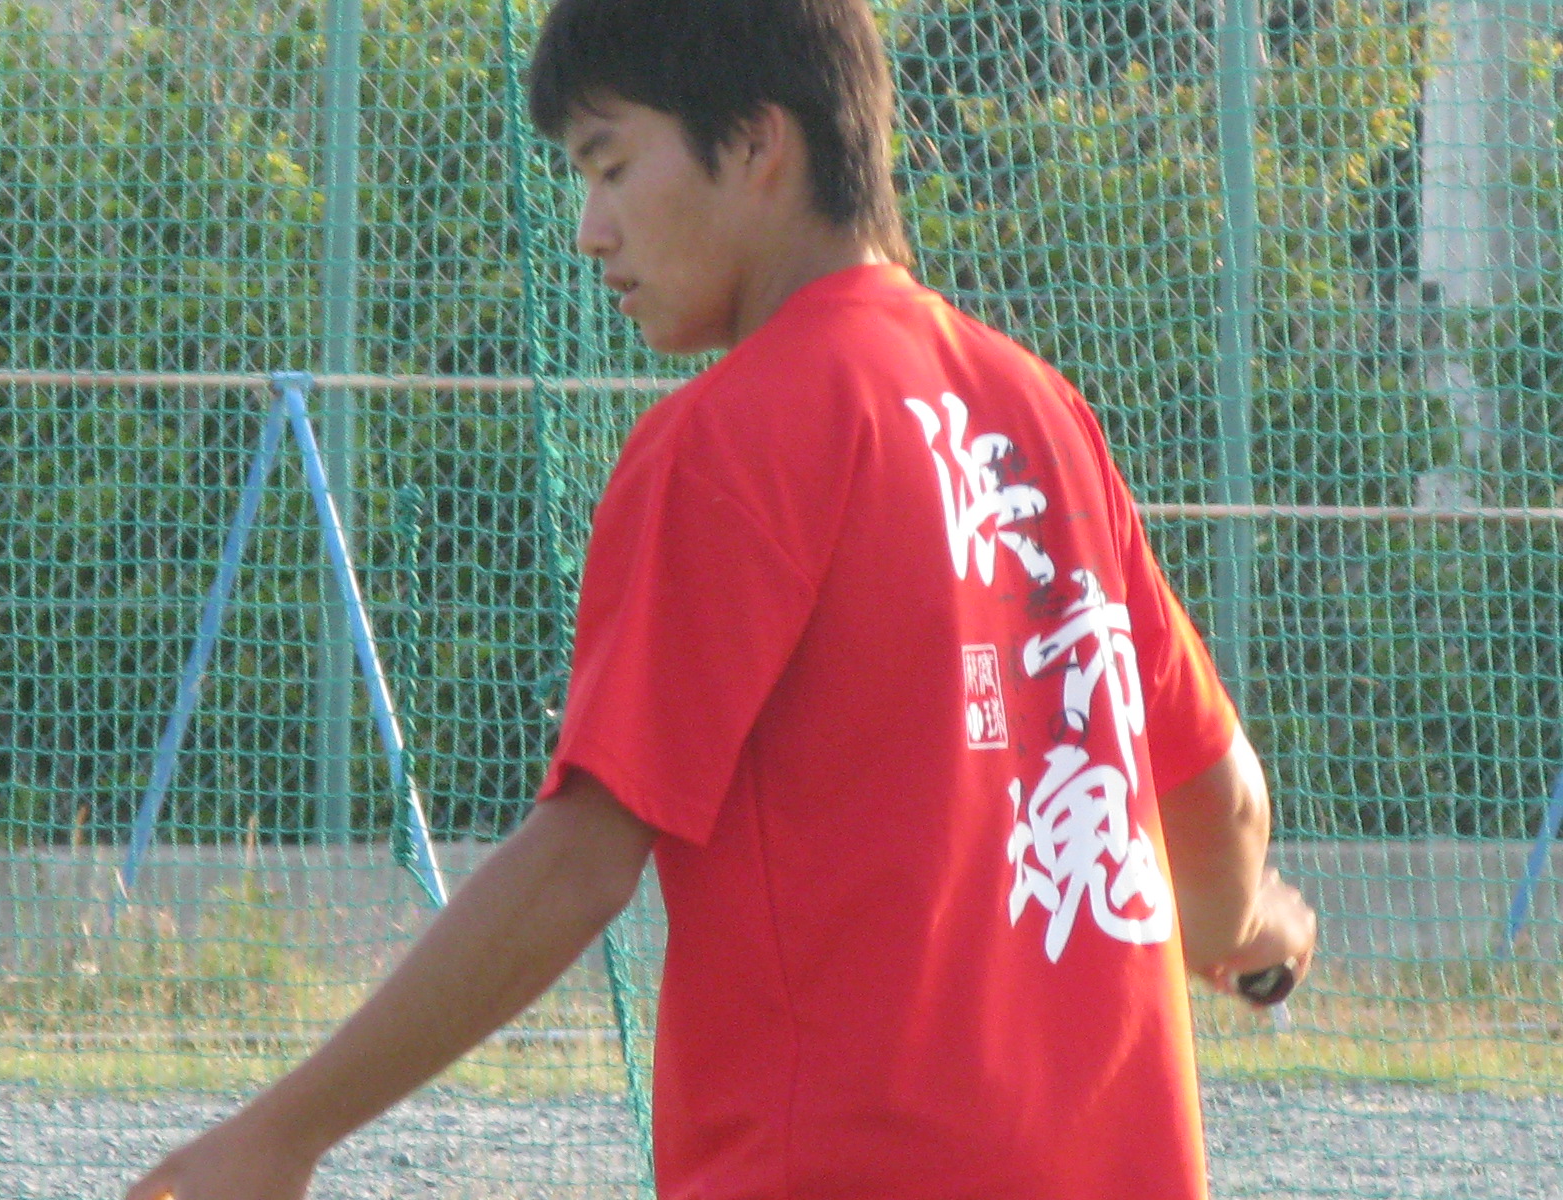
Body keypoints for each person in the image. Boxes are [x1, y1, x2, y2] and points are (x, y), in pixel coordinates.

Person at [127, 0, 1317, 1197]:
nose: (588, 231)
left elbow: (582, 861)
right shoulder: (1043, 416)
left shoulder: (728, 439)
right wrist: (1242, 928)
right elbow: (1221, 800)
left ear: (755, 143)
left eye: (609, 166)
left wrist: (284, 1132)